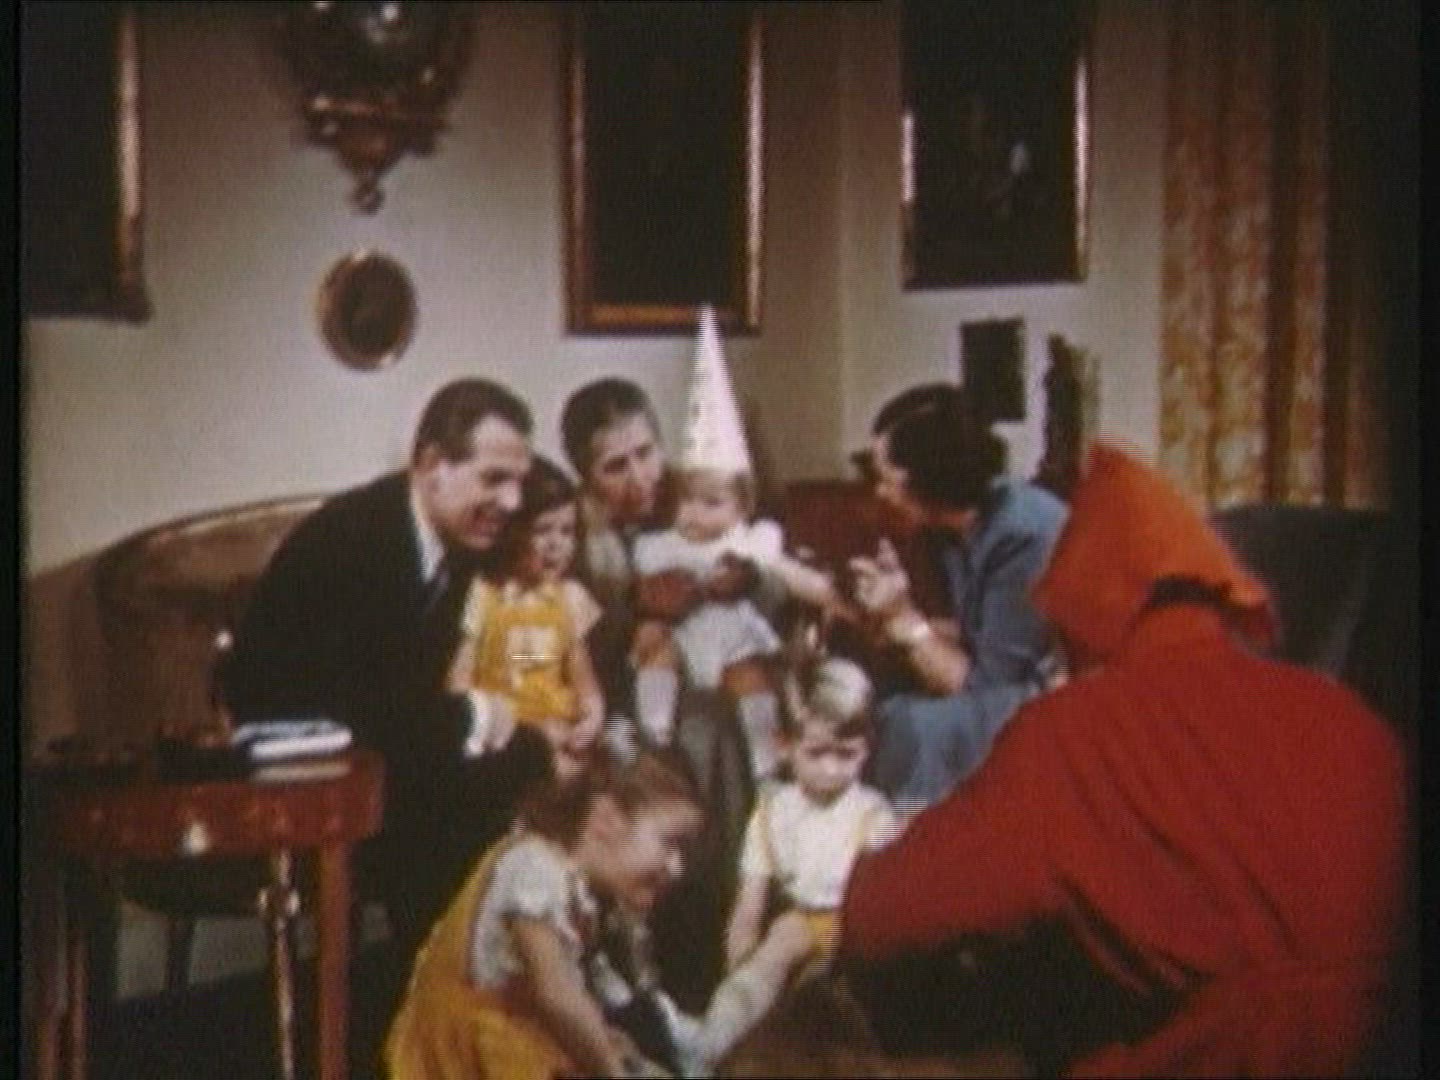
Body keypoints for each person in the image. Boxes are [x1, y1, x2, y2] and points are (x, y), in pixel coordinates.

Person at [840, 443, 1408, 1077]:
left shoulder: (1072, 734)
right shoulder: (1345, 712)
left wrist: (870, 858)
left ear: (1084, 609)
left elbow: (884, 918)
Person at [220, 379, 554, 959]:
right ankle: (442, 982)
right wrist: (473, 715)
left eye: (519, 482)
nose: (512, 501)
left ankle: (463, 979)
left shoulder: (451, 545)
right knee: (488, 782)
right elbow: (360, 704)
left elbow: (406, 701)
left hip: (377, 750)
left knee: (524, 757)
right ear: (432, 464)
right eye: (494, 478)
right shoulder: (358, 536)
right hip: (300, 764)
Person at [384, 749, 705, 1080]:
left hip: (520, 1045)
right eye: (670, 843)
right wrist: (611, 1069)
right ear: (606, 820)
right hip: (471, 1057)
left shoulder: (579, 894)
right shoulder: (534, 870)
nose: (677, 867)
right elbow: (554, 993)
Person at [632, 306, 845, 784]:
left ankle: (765, 757)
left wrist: (749, 575)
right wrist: (653, 604)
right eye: (686, 500)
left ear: (741, 506)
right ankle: (655, 733)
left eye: (712, 503)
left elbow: (784, 574)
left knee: (751, 679)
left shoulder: (750, 540)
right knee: (658, 656)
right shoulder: (661, 543)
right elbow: (642, 592)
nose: (695, 514)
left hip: (734, 638)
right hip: (685, 637)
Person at [847, 383, 1066, 812]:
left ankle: (909, 841)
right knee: (876, 707)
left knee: (911, 724)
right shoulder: (951, 530)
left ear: (928, 480)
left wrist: (904, 619)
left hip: (1056, 697)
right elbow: (976, 634)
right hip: (1009, 683)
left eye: (887, 480)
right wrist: (893, 619)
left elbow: (987, 685)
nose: (880, 493)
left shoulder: (1024, 533)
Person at [678, 657, 899, 1077]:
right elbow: (748, 905)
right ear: (784, 744)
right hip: (799, 921)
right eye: (815, 753)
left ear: (867, 749)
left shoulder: (872, 815)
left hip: (855, 926)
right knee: (772, 954)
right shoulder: (773, 810)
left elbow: (883, 906)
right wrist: (739, 970)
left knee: (816, 990)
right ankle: (712, 1043)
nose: (831, 769)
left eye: (847, 755)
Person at [447, 455, 605, 783]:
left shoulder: (570, 597)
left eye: (566, 531)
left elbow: (585, 682)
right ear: (511, 532)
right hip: (503, 733)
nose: (556, 544)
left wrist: (592, 718)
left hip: (559, 726)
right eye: (542, 530)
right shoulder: (483, 594)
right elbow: (459, 682)